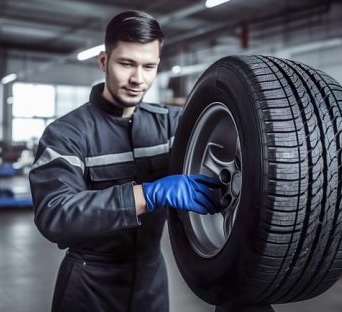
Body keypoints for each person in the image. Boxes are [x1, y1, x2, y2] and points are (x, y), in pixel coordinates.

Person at [29, 10, 221, 312]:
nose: (138, 79)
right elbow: (55, 215)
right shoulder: (66, 134)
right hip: (89, 286)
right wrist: (148, 194)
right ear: (104, 61)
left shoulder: (171, 124)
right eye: (126, 64)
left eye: (149, 66)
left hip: (151, 283)